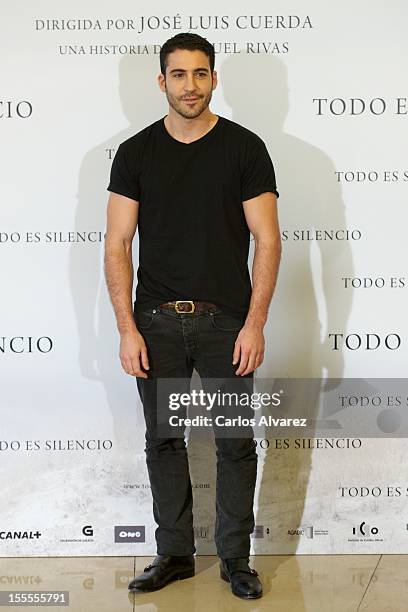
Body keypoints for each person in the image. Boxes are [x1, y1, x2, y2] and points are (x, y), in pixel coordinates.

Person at [104, 32, 281, 600]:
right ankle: (175, 555)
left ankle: (236, 561)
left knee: (234, 443)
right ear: (162, 81)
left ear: (214, 79)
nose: (190, 85)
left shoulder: (244, 148)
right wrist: (127, 328)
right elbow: (117, 244)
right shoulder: (135, 153)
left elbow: (269, 240)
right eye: (178, 74)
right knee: (163, 442)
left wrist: (253, 324)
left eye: (200, 74)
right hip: (154, 323)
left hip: (226, 325)